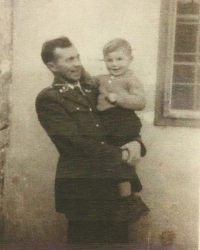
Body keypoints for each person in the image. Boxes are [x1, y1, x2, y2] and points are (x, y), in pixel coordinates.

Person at [35, 37, 149, 244]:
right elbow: (74, 144)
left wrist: (136, 143)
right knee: (87, 243)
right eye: (69, 60)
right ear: (52, 66)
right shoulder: (49, 99)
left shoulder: (95, 88)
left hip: (113, 183)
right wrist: (122, 154)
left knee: (117, 242)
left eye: (77, 57)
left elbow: (121, 119)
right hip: (82, 189)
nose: (77, 63)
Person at [96, 38, 146, 198]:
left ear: (130, 60)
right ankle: (128, 191)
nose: (114, 64)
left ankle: (127, 198)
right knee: (112, 160)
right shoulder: (102, 79)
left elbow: (140, 102)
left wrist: (118, 98)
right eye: (109, 60)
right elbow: (87, 80)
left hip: (122, 121)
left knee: (122, 159)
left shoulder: (131, 79)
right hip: (107, 123)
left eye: (119, 59)